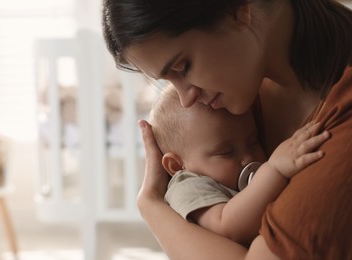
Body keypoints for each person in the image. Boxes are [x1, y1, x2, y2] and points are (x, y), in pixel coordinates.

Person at [102, 0, 352, 259]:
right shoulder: (234, 104)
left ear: (237, 11)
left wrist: (152, 207)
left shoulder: (342, 128)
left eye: (183, 67)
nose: (186, 100)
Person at [150, 85, 329, 247]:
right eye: (226, 152)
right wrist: (273, 170)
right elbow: (229, 227)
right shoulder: (187, 185)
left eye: (253, 141)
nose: (247, 158)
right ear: (176, 165)